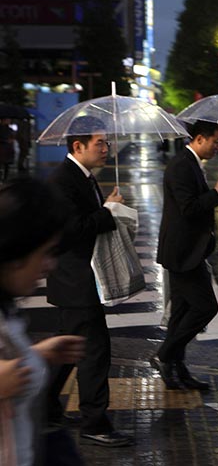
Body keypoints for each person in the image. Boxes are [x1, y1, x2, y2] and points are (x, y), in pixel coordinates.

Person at [44, 116, 134, 447]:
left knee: (68, 348)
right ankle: (95, 423)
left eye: (107, 143)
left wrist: (107, 208)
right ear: (78, 146)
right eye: (100, 143)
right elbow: (72, 230)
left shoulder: (82, 176)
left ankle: (44, 409)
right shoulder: (62, 180)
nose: (107, 149)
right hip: (75, 280)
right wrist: (108, 211)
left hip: (79, 278)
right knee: (94, 352)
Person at [0, 178, 86, 466]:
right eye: (45, 252)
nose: (50, 265)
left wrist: (37, 354)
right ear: (15, 252)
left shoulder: (8, 312)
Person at [153, 121, 218, 390]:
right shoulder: (181, 166)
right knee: (205, 307)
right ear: (199, 138)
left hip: (189, 251)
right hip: (182, 253)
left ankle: (177, 368)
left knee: (181, 312)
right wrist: (216, 193)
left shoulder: (191, 164)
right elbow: (189, 208)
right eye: (215, 141)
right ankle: (164, 355)